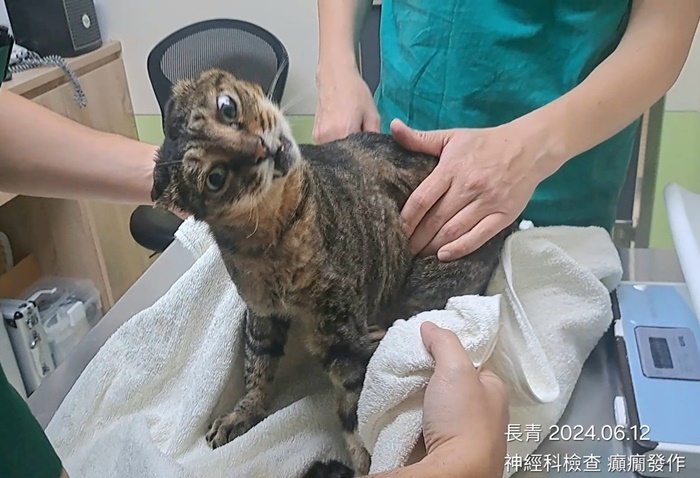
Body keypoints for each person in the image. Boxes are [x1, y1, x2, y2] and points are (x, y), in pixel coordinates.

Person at [0, 93, 509, 476]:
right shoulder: (242, 240)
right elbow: (261, 311)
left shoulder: (309, 222)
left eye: (228, 108)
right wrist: (253, 400)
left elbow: (347, 355)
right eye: (217, 177)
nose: (256, 146)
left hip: (433, 240)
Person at [314, 0, 700, 261]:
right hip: (394, 161)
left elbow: (663, 30)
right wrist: (335, 67)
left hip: (551, 196)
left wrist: (528, 151)